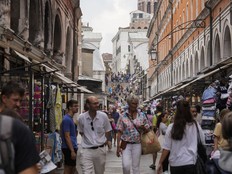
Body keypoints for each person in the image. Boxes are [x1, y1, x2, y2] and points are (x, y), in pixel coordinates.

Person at [0, 81, 40, 173]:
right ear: (4, 98)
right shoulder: (18, 127)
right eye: (15, 100)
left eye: (20, 101)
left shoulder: (17, 123)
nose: (18, 105)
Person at [156, 100, 205, 174]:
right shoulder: (195, 125)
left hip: (176, 164)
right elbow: (202, 140)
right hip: (191, 163)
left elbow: (166, 148)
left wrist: (160, 163)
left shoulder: (171, 127)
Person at [116, 94, 150, 174]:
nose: (135, 105)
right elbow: (119, 132)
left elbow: (147, 129)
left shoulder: (142, 115)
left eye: (136, 103)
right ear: (128, 104)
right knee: (125, 166)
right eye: (133, 103)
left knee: (136, 167)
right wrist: (118, 147)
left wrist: (143, 128)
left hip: (137, 144)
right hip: (125, 144)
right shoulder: (123, 116)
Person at [78, 96, 112, 174]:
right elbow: (81, 132)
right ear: (88, 105)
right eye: (94, 103)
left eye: (97, 103)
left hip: (100, 150)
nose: (97, 105)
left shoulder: (103, 116)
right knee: (86, 172)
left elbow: (107, 130)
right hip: (86, 150)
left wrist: (105, 141)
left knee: (99, 172)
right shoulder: (81, 118)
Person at [61, 100, 79, 174]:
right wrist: (72, 151)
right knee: (68, 168)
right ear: (70, 107)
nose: (77, 108)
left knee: (72, 168)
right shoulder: (67, 119)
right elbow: (67, 136)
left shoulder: (70, 119)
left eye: (77, 106)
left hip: (72, 146)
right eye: (75, 106)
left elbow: (73, 134)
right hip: (68, 148)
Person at [150, 105, 163, 170]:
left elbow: (154, 126)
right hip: (164, 134)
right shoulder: (165, 115)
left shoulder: (155, 116)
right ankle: (163, 164)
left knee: (155, 150)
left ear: (157, 109)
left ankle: (154, 163)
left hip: (157, 134)